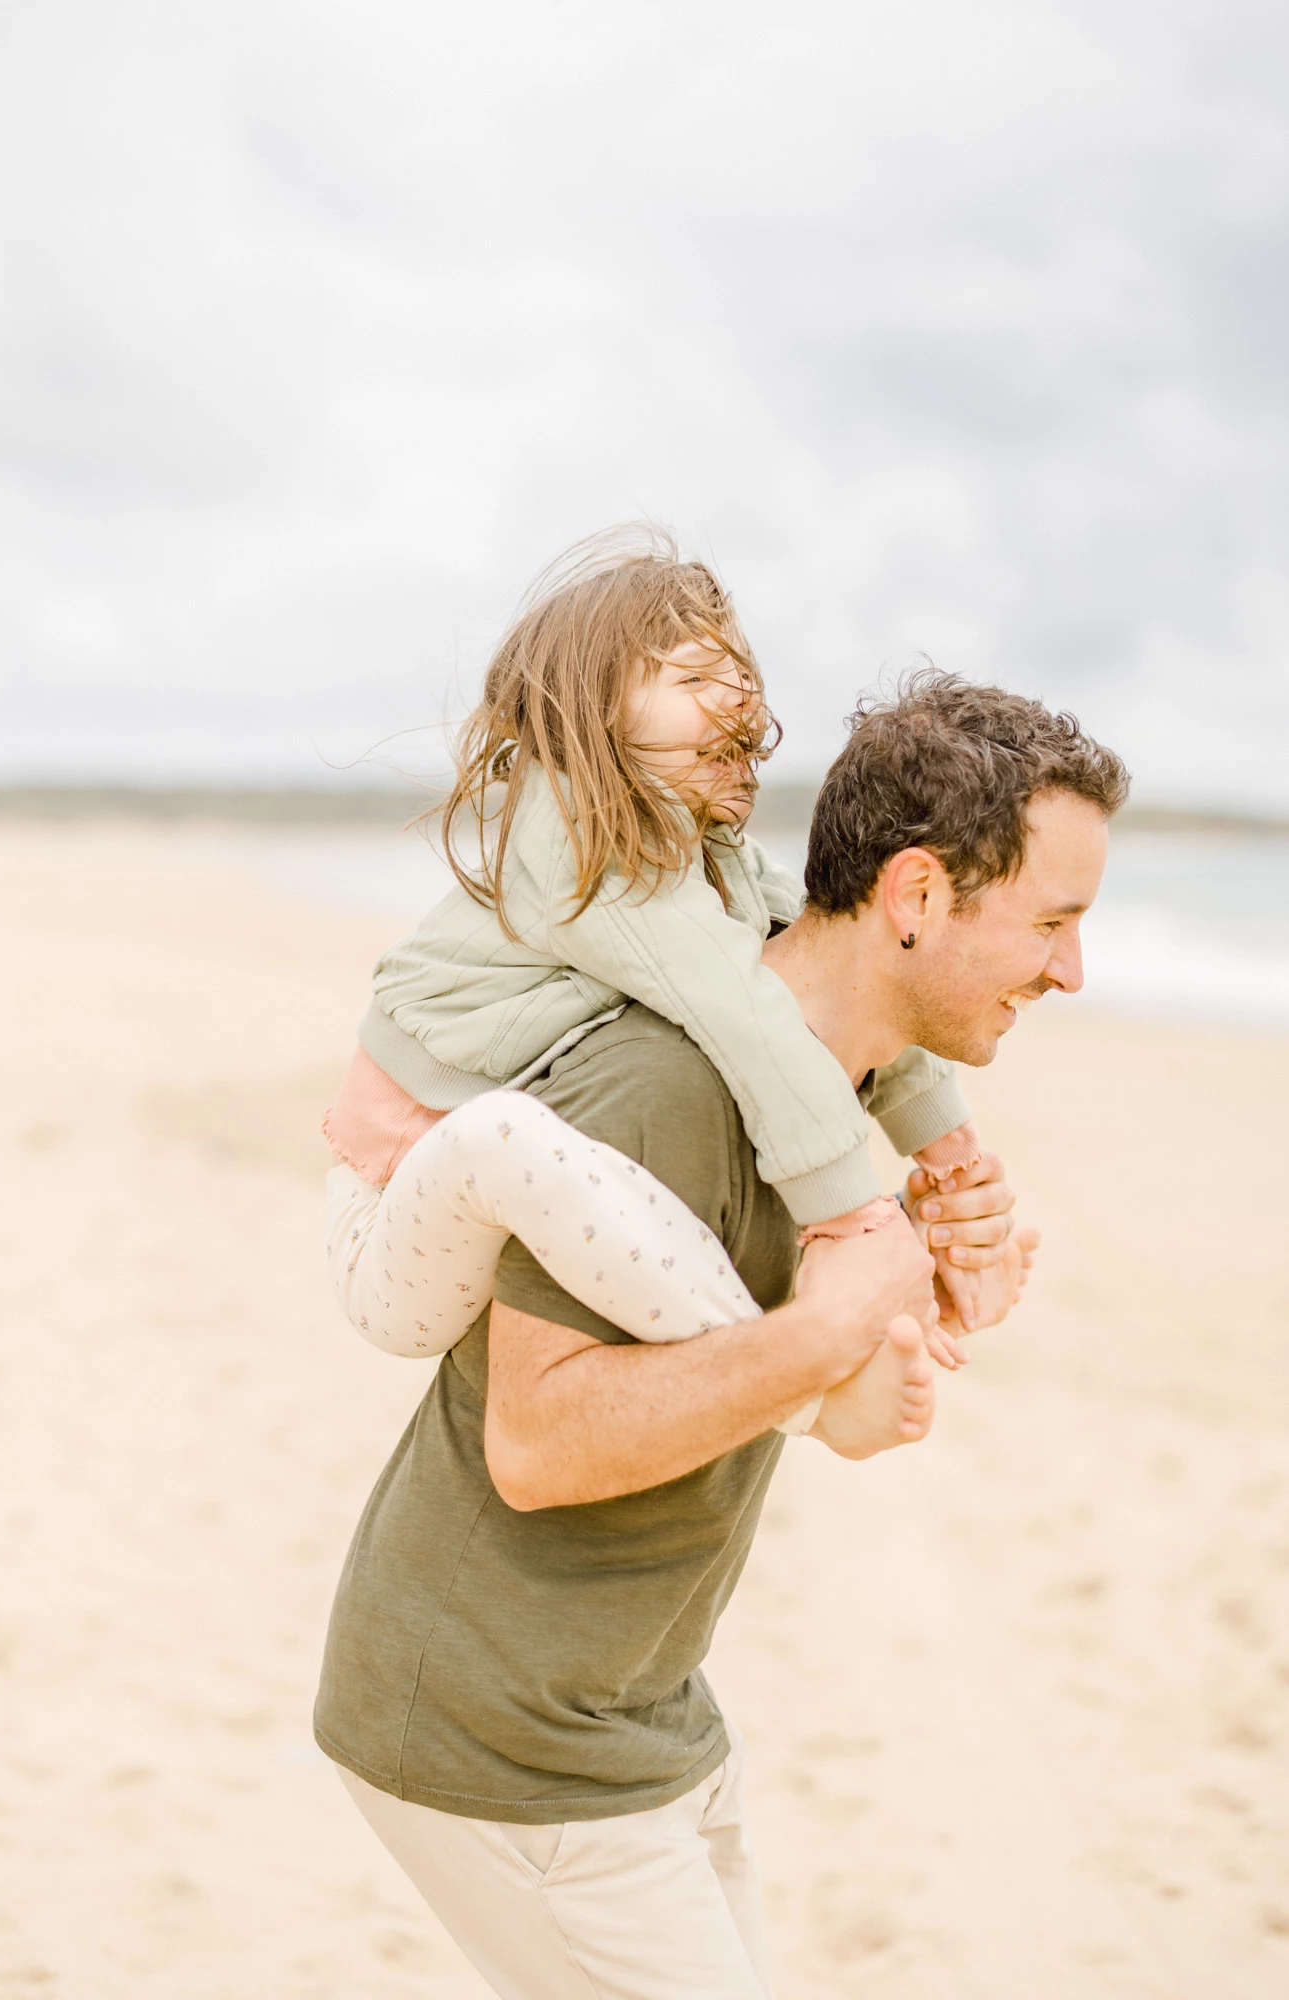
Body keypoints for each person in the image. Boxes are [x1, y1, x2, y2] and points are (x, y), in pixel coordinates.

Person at [314, 671, 1129, 1999]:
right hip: (492, 1732)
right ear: (917, 897)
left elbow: (839, 1413)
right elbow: (534, 1440)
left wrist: (914, 1315)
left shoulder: (834, 1097)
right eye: (1054, 921)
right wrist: (827, 1337)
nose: (1072, 971)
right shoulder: (666, 1084)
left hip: (647, 1720)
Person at [323, 531, 993, 1410]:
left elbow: (825, 958)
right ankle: (809, 1388)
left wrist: (949, 1151)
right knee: (507, 1139)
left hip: (499, 1213)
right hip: (392, 1221)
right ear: (593, 711)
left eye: (741, 675)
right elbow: (740, 1008)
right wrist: (849, 1217)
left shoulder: (709, 855)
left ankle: (874, 1303)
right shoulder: (580, 846)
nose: (736, 699)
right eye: (693, 680)